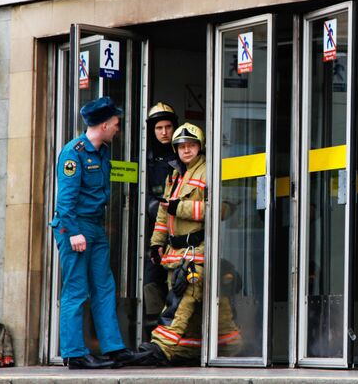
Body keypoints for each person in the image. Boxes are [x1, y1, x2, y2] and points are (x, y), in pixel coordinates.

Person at [50, 96, 149, 369]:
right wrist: (73, 232)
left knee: (104, 287)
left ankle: (114, 348)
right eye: (116, 124)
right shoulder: (74, 153)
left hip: (94, 225)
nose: (118, 128)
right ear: (104, 125)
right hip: (75, 227)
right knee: (76, 290)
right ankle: (74, 354)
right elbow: (65, 201)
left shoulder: (103, 151)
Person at [139, 123, 242, 366]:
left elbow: (222, 209)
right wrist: (156, 244)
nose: (186, 150)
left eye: (191, 145)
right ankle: (228, 346)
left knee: (180, 299)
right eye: (182, 146)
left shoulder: (209, 171)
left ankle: (161, 347)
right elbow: (164, 214)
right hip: (175, 252)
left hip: (197, 250)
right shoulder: (174, 174)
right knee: (211, 306)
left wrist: (180, 207)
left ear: (200, 147)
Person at [143, 102, 179, 336]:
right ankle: (152, 334)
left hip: (179, 231)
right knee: (150, 280)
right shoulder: (145, 159)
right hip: (153, 231)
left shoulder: (185, 155)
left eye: (168, 127)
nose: (164, 132)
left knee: (177, 282)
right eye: (159, 128)